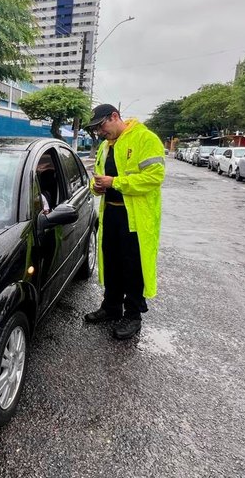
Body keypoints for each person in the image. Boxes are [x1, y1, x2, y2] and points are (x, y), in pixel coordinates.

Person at [84, 104, 165, 339]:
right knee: (111, 262)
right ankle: (111, 307)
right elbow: (98, 178)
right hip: (111, 213)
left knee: (133, 266)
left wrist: (115, 183)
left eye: (102, 126)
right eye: (97, 129)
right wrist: (97, 186)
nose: (100, 132)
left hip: (136, 217)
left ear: (115, 116)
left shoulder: (145, 138)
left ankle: (132, 315)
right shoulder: (105, 147)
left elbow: (154, 177)